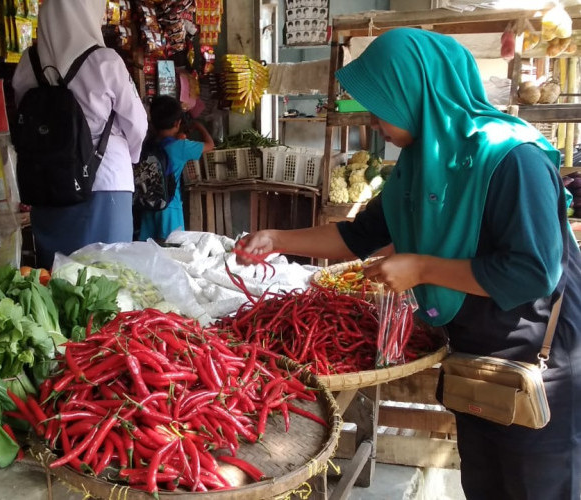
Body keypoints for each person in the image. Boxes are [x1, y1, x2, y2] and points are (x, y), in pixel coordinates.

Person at [236, 28, 581, 499]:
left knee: (536, 485)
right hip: (475, 360)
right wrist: (276, 238)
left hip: (538, 362)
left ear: (417, 93)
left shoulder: (511, 158)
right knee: (484, 483)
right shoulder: (421, 165)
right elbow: (357, 236)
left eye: (380, 107)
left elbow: (533, 270)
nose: (374, 121)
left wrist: (421, 269)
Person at [12, 0, 148, 269]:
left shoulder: (28, 63)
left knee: (56, 276)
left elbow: (24, 117)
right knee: (109, 276)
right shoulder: (105, 61)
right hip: (105, 183)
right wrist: (130, 158)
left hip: (48, 184)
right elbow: (137, 124)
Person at [138, 96, 214, 241]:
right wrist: (198, 126)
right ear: (177, 123)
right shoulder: (181, 147)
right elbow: (210, 145)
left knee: (147, 250)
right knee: (173, 250)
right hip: (170, 207)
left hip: (148, 205)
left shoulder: (147, 144)